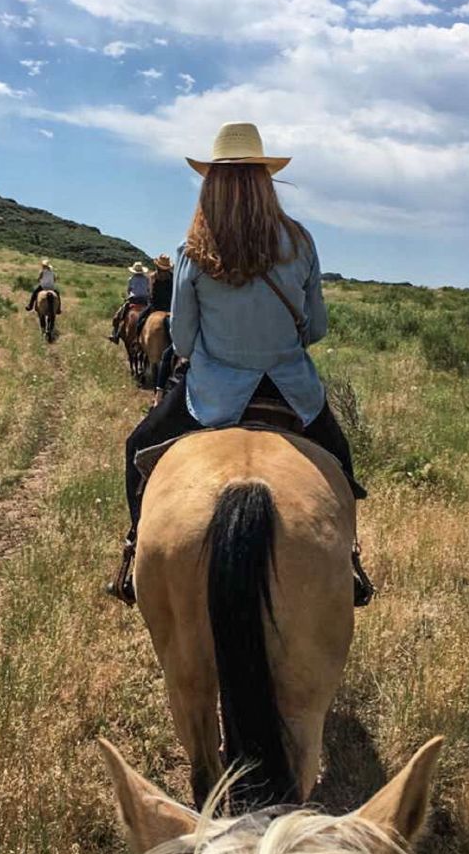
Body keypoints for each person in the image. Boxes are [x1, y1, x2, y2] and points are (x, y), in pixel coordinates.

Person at [107, 121, 373, 606]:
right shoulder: (301, 242)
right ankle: (350, 562)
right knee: (340, 461)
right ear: (265, 182)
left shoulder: (194, 250)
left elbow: (183, 336)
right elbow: (315, 328)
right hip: (290, 390)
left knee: (137, 447)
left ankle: (132, 552)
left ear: (213, 182)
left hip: (214, 395)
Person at [108, 261, 151, 343]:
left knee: (118, 316)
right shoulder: (146, 279)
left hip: (133, 299)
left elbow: (129, 290)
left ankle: (115, 334)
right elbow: (149, 290)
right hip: (145, 300)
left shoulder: (131, 279)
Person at [134, 254, 174, 339]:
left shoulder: (152, 276)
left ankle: (137, 342)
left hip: (155, 307)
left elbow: (150, 292)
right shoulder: (172, 277)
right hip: (170, 307)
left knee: (140, 320)